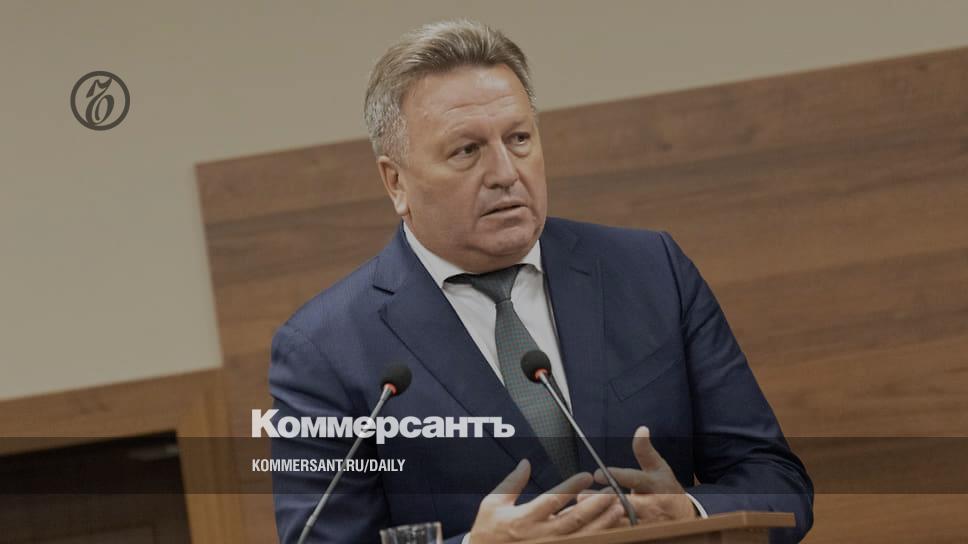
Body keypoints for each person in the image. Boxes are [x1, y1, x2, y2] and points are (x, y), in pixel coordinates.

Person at [269, 19, 813, 544]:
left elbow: (774, 478)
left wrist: (690, 513)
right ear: (396, 182)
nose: (506, 172)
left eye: (519, 138)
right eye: (467, 151)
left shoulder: (652, 272)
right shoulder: (325, 351)